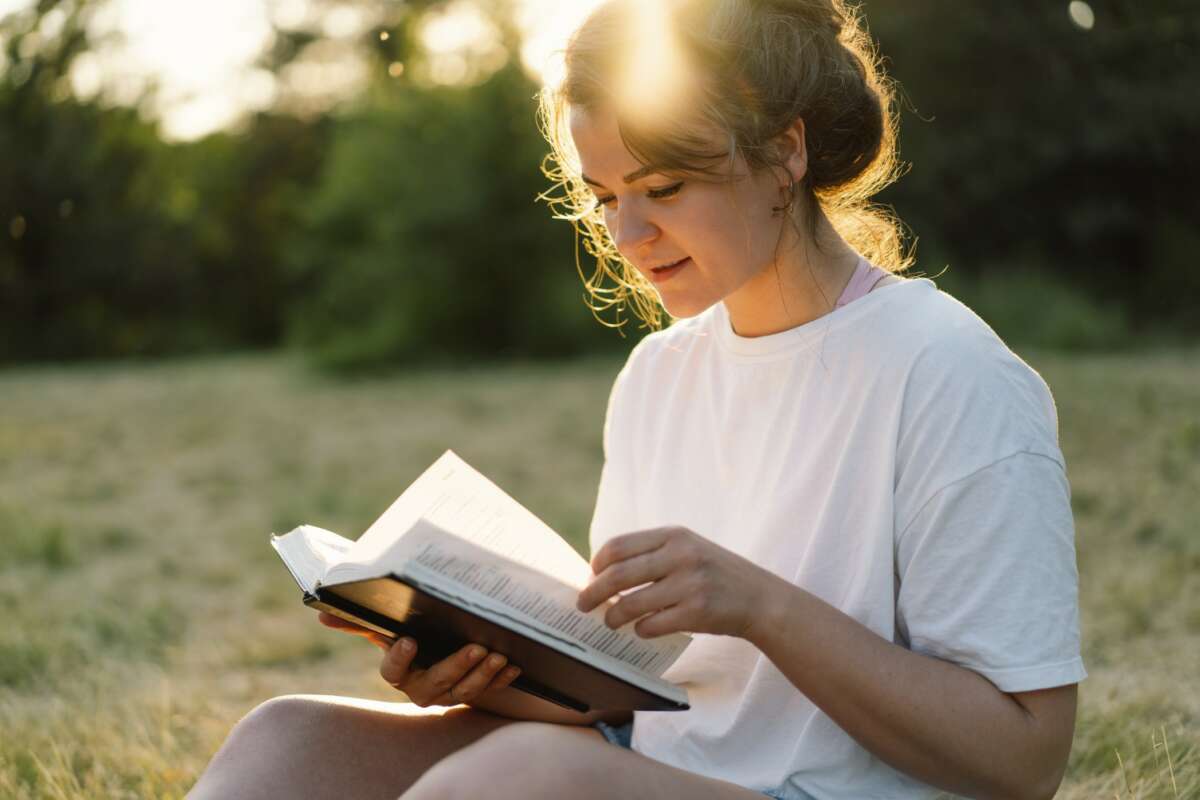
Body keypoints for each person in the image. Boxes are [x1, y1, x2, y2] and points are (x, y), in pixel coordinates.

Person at [189, 0, 1085, 797]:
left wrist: (761, 607)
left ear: (784, 154)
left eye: (663, 188)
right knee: (288, 739)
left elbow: (1024, 760)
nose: (626, 233)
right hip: (655, 767)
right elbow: (630, 698)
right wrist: (473, 666)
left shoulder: (952, 374)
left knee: (517, 779)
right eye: (604, 194)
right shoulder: (659, 373)